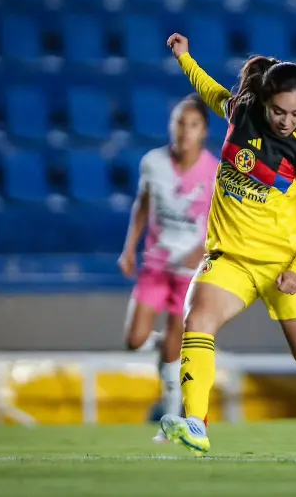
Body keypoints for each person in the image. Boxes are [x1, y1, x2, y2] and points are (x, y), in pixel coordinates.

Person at [158, 32, 296, 455]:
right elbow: (209, 90)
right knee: (198, 320)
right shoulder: (239, 114)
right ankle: (195, 423)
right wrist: (186, 58)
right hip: (231, 259)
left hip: (286, 264)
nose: (287, 121)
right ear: (264, 101)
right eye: (280, 111)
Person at [118, 94, 219, 443]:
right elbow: (143, 204)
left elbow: (221, 221)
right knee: (134, 340)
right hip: (157, 264)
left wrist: (201, 250)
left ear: (204, 131)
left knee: (179, 340)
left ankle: (172, 418)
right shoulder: (153, 163)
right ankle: (165, 350)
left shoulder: (214, 171)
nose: (185, 131)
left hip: (190, 271)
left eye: (193, 124)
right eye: (179, 122)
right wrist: (129, 247)